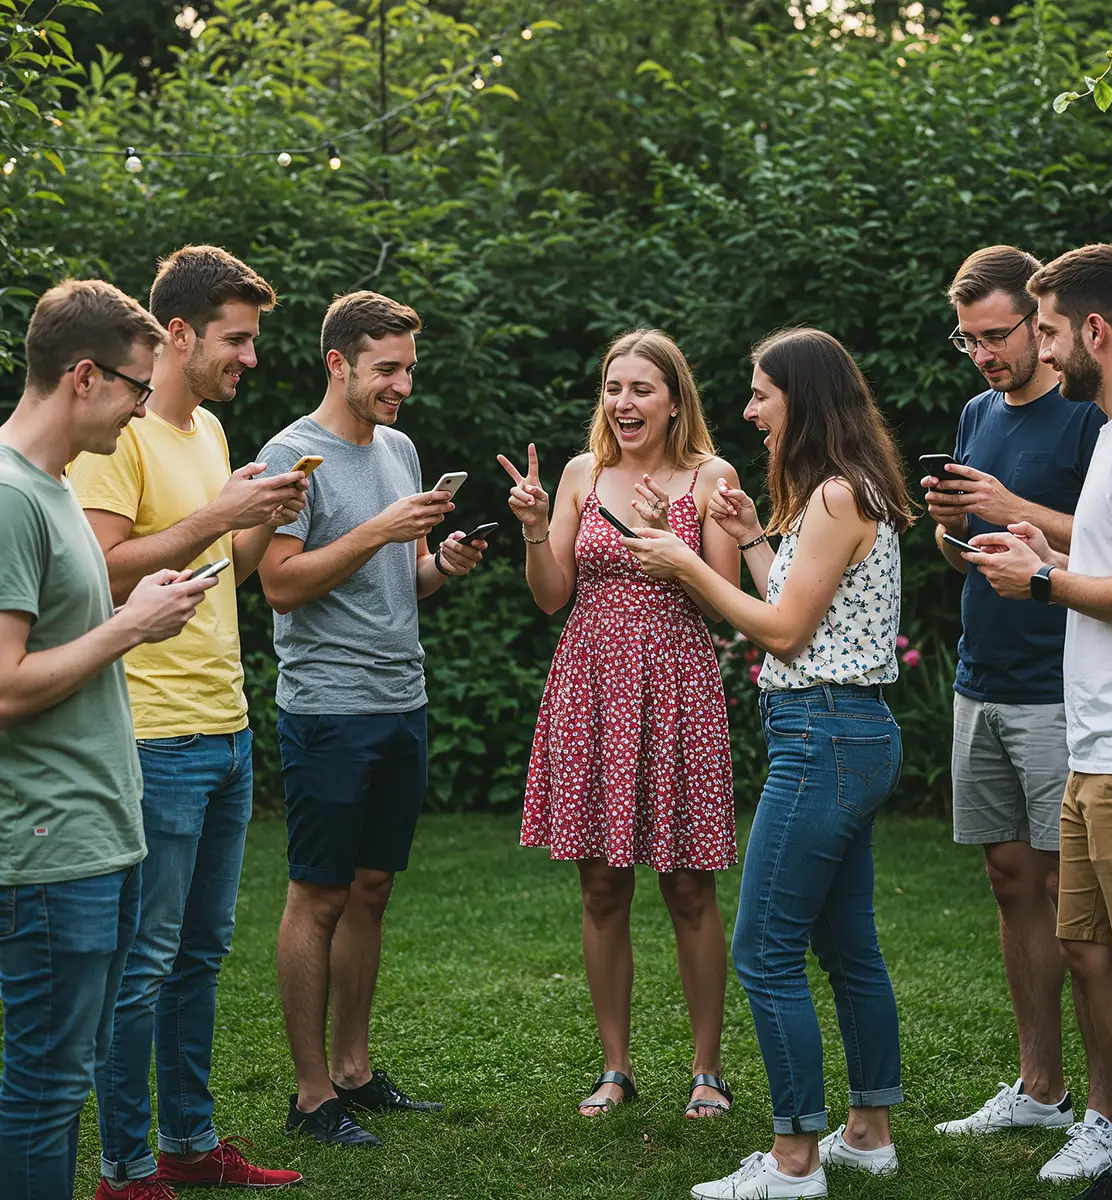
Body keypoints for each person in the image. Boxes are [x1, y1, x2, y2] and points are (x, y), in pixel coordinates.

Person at [623, 328, 913, 1199]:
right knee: (847, 944)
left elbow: (781, 633)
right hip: (847, 732)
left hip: (823, 738)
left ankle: (795, 1161)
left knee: (764, 950)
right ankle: (869, 1133)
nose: (748, 411)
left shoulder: (832, 496)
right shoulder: (842, 492)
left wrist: (681, 561)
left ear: (803, 399)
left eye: (760, 395)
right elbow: (797, 610)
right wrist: (751, 541)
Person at [69, 246, 306, 1196]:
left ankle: (190, 1146)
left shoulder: (206, 429)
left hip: (228, 728)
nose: (248, 358)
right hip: (153, 734)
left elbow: (222, 576)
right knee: (143, 964)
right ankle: (128, 1168)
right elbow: (103, 567)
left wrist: (260, 511)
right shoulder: (120, 434)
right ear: (177, 333)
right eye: (236, 340)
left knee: (199, 956)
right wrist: (221, 512)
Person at [965, 243, 1112, 1200]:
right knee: (1093, 953)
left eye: (1051, 331)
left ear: (1095, 330)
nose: (1046, 352)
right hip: (1100, 746)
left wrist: (1045, 579)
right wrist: (1039, 542)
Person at [0, 279, 217, 1200]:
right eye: (134, 387)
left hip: (99, 827)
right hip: (51, 843)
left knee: (62, 1074)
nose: (139, 408)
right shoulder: (11, 496)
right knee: (45, 1087)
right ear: (82, 376)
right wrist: (132, 627)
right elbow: (5, 685)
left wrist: (138, 611)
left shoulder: (47, 488)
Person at [257, 290, 486, 1146]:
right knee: (317, 895)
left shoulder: (398, 447)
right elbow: (278, 583)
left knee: (372, 890)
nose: (402, 386)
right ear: (338, 363)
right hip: (327, 707)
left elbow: (407, 578)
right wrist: (383, 530)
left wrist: (442, 564)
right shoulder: (293, 455)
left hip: (402, 700)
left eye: (408, 370)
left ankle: (353, 1071)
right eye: (387, 370)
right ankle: (311, 1095)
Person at [498, 329, 742, 1120]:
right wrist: (536, 530)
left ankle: (707, 1069)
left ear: (675, 400)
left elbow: (726, 608)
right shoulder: (581, 474)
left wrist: (669, 545)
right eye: (613, 388)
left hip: (677, 685)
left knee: (688, 886)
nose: (624, 403)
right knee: (602, 884)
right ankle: (615, 1067)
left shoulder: (711, 478)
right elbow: (549, 595)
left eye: (641, 389)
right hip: (591, 682)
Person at [926, 246, 1112, 1182]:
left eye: (998, 336)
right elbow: (991, 532)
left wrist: (1009, 503)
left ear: (1039, 326)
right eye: (969, 341)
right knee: (1010, 881)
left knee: (1082, 909)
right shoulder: (974, 412)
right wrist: (957, 532)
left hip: (1059, 683)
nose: (985, 356)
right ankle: (1040, 1089)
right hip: (981, 677)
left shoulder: (1092, 411)